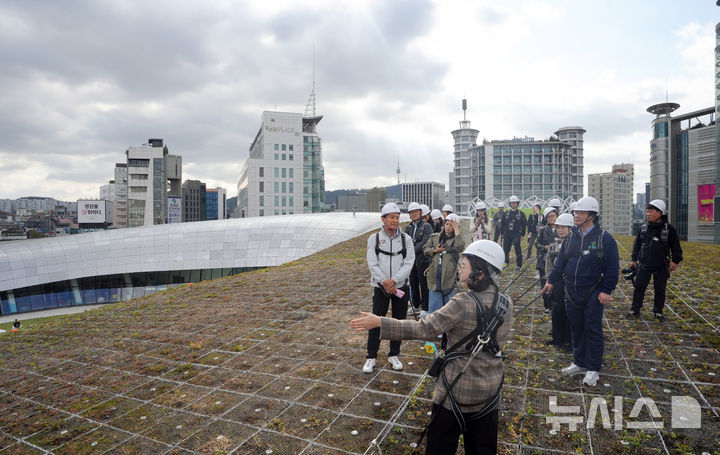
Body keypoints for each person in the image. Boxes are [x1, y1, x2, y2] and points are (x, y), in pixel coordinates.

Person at [351, 240, 513, 454]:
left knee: (439, 448)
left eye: (464, 267)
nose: (460, 270)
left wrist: (380, 322)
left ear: (479, 274)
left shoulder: (462, 302)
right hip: (490, 393)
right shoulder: (506, 303)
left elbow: (424, 328)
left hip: (455, 393)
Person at [542, 196, 619, 387]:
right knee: (576, 327)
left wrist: (606, 290)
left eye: (581, 213)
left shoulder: (604, 238)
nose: (576, 216)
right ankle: (579, 361)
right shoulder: (571, 238)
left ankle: (593, 368)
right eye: (575, 212)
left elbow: (612, 267)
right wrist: (551, 280)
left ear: (592, 216)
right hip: (571, 291)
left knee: (592, 329)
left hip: (593, 292)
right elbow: (561, 262)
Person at [364, 202, 416, 373]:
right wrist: (385, 282)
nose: (395, 220)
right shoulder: (375, 239)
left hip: (400, 287)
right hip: (381, 288)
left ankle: (394, 353)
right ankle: (371, 356)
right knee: (375, 321)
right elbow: (373, 263)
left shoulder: (405, 239)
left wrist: (394, 280)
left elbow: (409, 262)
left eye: (397, 217)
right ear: (383, 219)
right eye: (392, 217)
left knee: (398, 322)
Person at [626, 199, 683, 322]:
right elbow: (637, 245)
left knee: (660, 290)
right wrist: (633, 259)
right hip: (644, 264)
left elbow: (676, 247)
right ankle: (635, 310)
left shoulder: (669, 230)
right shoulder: (643, 228)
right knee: (639, 288)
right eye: (647, 212)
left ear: (660, 213)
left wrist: (675, 261)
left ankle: (658, 312)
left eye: (651, 212)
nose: (648, 214)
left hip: (661, 266)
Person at [425, 213, 465, 314]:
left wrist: (457, 230)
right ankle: (434, 322)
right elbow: (425, 248)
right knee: (434, 298)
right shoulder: (435, 237)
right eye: (447, 224)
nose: (448, 227)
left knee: (448, 299)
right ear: (443, 224)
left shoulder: (456, 240)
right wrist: (434, 251)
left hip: (448, 273)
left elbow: (460, 246)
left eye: (452, 225)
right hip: (434, 272)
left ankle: (448, 322)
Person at [546, 213, 573, 350]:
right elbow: (549, 265)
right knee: (556, 310)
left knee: (568, 312)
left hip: (569, 283)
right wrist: (548, 280)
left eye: (564, 227)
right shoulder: (554, 244)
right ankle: (556, 339)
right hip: (556, 282)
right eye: (558, 227)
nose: (561, 230)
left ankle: (568, 341)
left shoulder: (575, 244)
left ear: (570, 228)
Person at [406, 202, 434, 319]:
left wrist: (411, 250)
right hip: (412, 261)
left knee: (424, 284)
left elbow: (426, 242)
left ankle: (425, 307)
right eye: (411, 213)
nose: (414, 214)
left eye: (416, 212)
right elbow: (406, 241)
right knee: (413, 283)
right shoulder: (408, 227)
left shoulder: (427, 226)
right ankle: (416, 305)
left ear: (420, 213)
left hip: (423, 260)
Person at [535, 207, 558, 314]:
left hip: (557, 262)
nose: (551, 218)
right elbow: (537, 243)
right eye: (549, 217)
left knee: (556, 285)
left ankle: (556, 305)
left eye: (553, 216)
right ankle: (547, 306)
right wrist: (544, 247)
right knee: (544, 284)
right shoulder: (543, 230)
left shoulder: (562, 229)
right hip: (544, 261)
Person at [500, 195, 527, 270]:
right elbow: (502, 224)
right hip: (507, 234)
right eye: (512, 203)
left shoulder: (521, 214)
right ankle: (506, 264)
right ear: (510, 204)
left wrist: (522, 234)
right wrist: (502, 234)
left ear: (517, 204)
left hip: (517, 234)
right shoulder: (506, 213)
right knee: (505, 250)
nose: (513, 204)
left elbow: (524, 225)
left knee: (518, 249)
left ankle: (519, 265)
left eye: (515, 203)